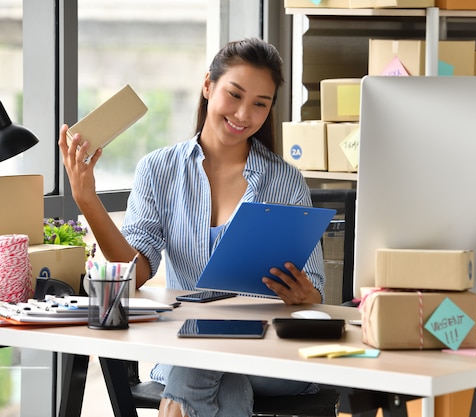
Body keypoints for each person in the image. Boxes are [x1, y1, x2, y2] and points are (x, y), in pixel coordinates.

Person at [59, 37, 326, 417]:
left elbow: (315, 291)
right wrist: (87, 198)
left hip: (270, 355)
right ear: (208, 86)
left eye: (259, 104)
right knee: (224, 381)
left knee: (202, 359)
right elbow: (133, 274)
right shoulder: (159, 170)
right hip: (190, 349)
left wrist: (303, 294)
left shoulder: (285, 181)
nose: (243, 114)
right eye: (234, 95)